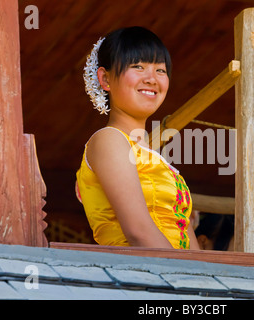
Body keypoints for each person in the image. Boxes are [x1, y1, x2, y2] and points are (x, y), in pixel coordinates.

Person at [75, 27, 199, 250]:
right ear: (105, 78)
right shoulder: (109, 140)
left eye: (160, 70)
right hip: (140, 276)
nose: (152, 79)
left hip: (178, 275)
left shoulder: (153, 157)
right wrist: (186, 279)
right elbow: (139, 233)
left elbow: (190, 244)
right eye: (138, 67)